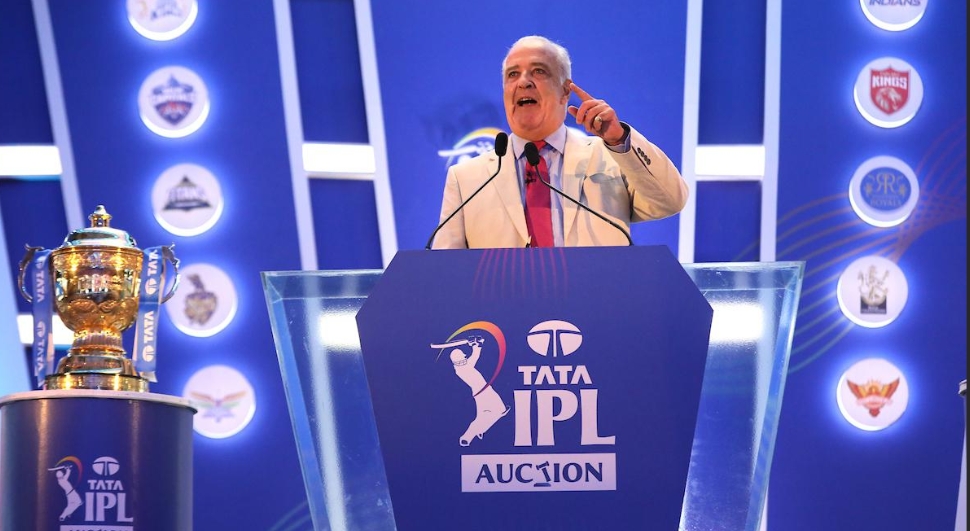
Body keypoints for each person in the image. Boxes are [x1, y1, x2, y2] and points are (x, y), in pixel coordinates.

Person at [431, 35, 688, 249]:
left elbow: (670, 201)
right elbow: (447, 270)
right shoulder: (466, 179)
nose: (523, 82)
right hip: (503, 298)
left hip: (595, 296)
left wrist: (618, 138)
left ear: (565, 91)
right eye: (513, 74)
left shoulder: (611, 157)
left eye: (538, 71)